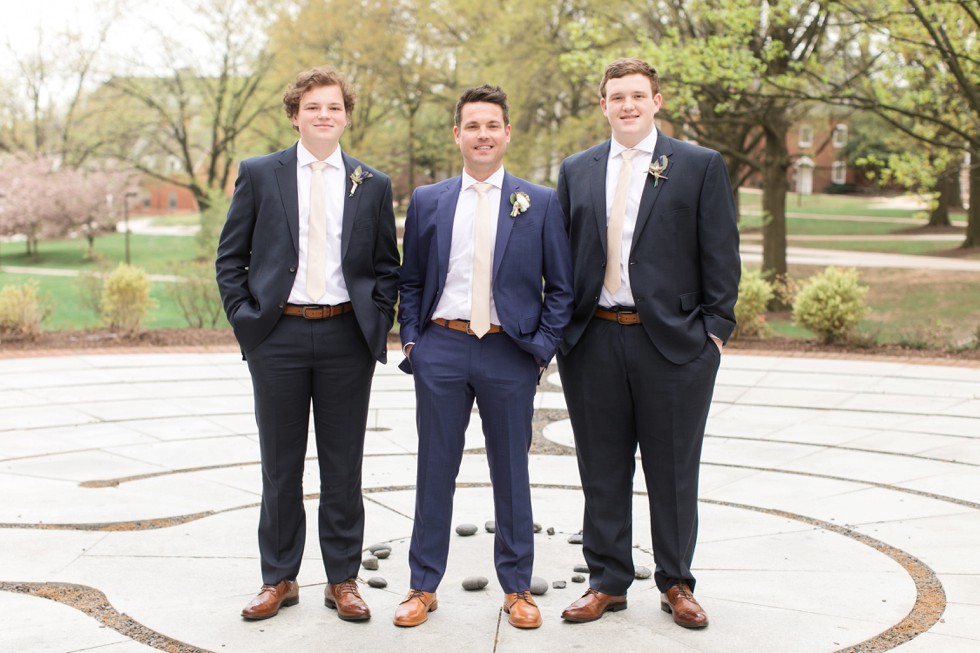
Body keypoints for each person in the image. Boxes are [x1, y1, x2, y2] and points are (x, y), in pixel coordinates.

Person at [555, 58, 740, 629]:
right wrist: (565, 334)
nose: (628, 104)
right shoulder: (576, 169)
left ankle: (677, 582)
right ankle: (607, 580)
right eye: (617, 96)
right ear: (602, 105)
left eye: (638, 95)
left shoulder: (698, 165)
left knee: (673, 470)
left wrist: (712, 334)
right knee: (602, 469)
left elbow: (722, 254)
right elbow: (561, 258)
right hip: (594, 341)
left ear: (657, 101)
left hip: (675, 345)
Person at [215, 66, 399, 622]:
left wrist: (375, 318)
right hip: (279, 337)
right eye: (314, 106)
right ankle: (279, 578)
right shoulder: (259, 173)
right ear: (296, 114)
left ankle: (343, 580)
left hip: (347, 336)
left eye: (335, 106)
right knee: (281, 466)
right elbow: (230, 259)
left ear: (346, 115)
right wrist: (250, 323)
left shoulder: (373, 183)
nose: (325, 115)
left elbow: (387, 266)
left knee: (343, 467)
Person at [394, 84, 573, 629]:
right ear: (458, 134)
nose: (483, 135)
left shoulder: (539, 202)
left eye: (492, 125)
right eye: (472, 126)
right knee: (434, 470)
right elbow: (412, 279)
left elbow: (561, 288)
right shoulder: (428, 199)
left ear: (507, 133)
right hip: (442, 348)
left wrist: (539, 351)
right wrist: (413, 344)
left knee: (512, 474)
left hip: (509, 352)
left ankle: (517, 588)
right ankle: (423, 586)